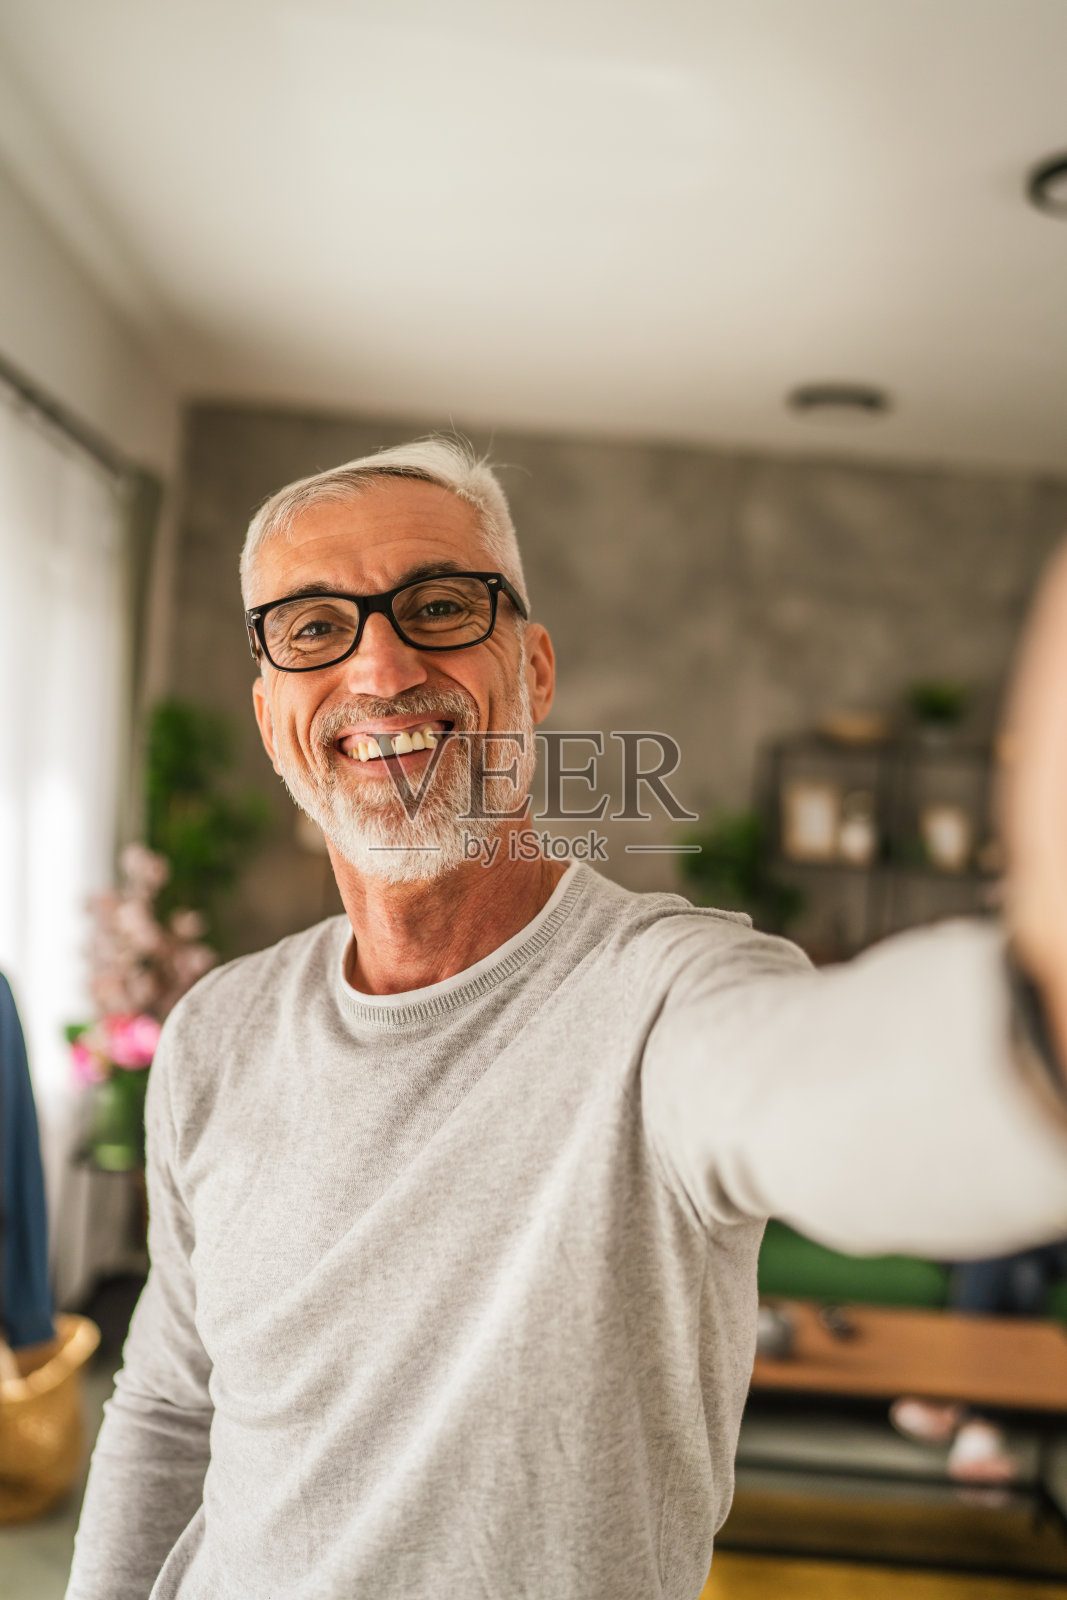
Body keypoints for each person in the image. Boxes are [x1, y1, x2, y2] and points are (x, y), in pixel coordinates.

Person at [67, 439, 1067, 1600]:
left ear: (533, 671)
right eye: (310, 628)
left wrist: (1036, 1024)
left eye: (439, 606)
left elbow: (833, 1087)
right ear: (268, 712)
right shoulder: (215, 1032)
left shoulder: (665, 999)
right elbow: (171, 1406)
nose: (381, 667)